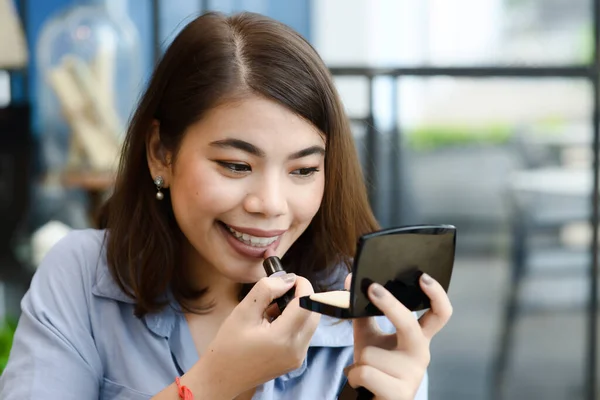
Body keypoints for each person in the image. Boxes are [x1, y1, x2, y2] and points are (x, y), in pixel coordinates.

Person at [0, 11, 453, 400]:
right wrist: (213, 383)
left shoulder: (366, 314)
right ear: (161, 152)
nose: (271, 205)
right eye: (236, 165)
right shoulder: (81, 276)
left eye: (303, 170)